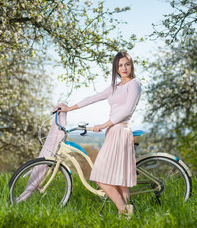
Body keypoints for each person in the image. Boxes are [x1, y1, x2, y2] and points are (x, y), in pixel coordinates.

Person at [59, 51, 141, 217]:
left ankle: (123, 209)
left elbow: (127, 110)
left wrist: (104, 125)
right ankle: (127, 213)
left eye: (127, 64)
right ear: (115, 68)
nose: (124, 68)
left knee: (99, 176)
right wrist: (69, 108)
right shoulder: (115, 87)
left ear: (131, 65)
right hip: (112, 132)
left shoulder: (134, 83)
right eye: (120, 65)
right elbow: (93, 98)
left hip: (121, 130)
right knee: (118, 177)